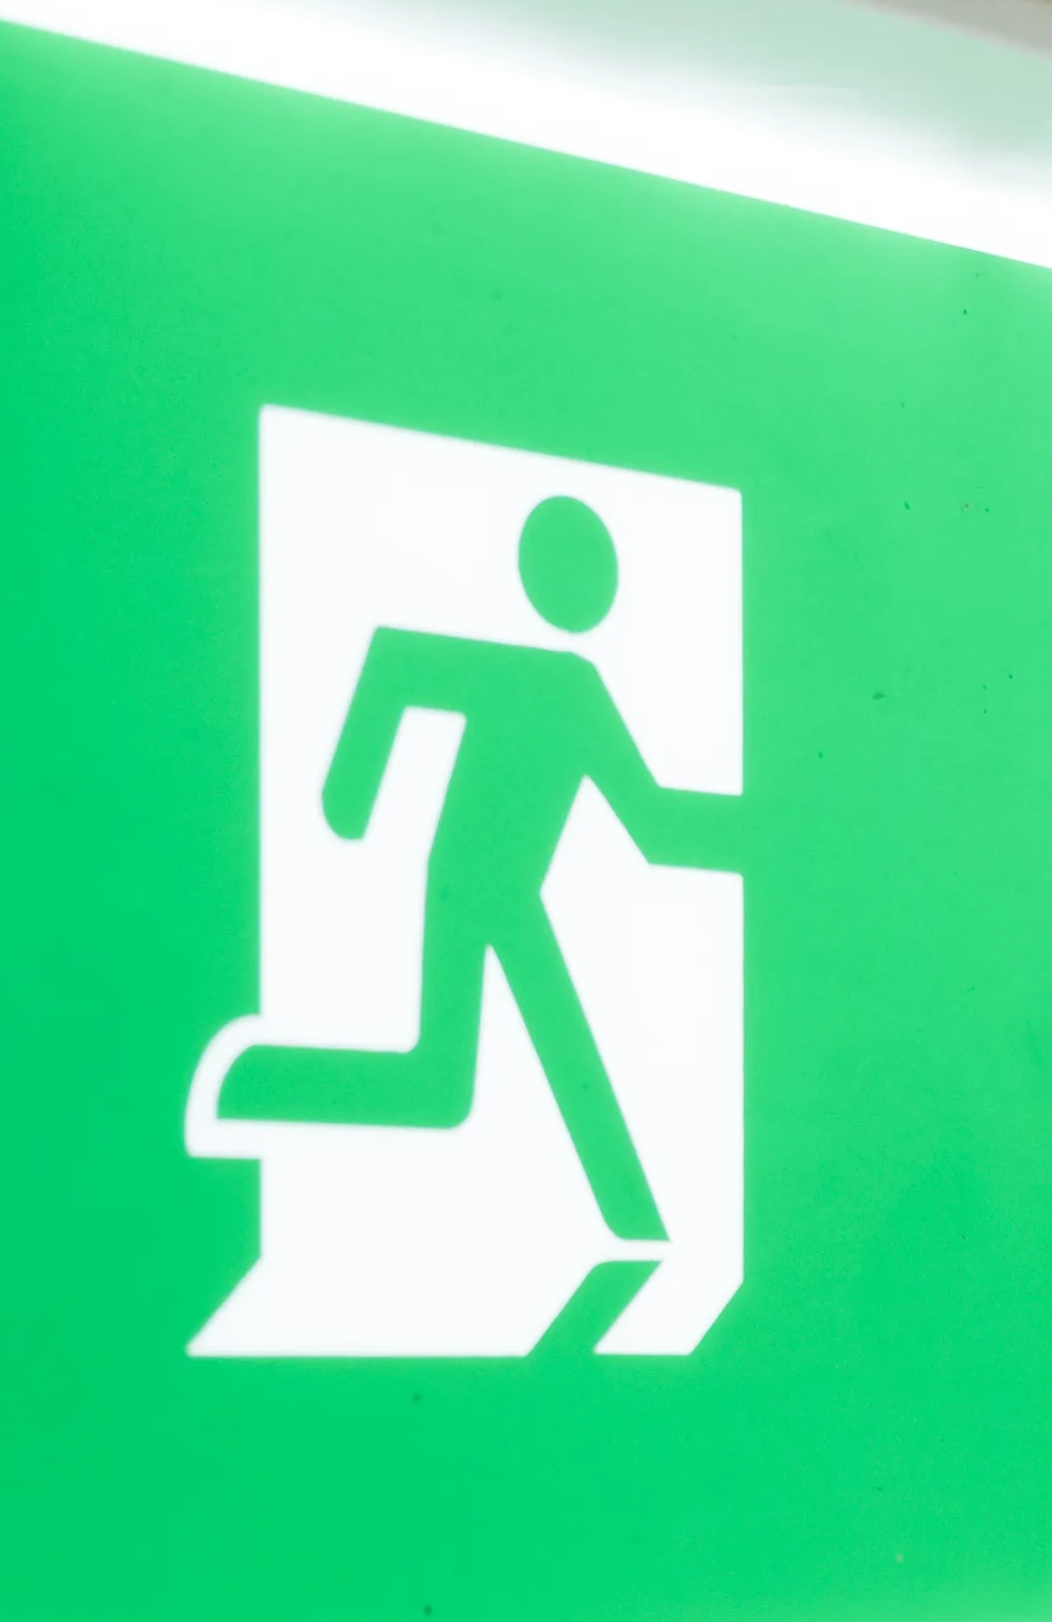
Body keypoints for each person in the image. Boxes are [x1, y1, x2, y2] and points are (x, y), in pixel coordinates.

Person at [210, 492, 743, 1241]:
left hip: (506, 891)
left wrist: (764, 835)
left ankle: (262, 1082)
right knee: (452, 1080)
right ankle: (259, 1084)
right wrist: (349, 794)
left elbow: (651, 822)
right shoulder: (550, 682)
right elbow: (396, 663)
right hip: (470, 883)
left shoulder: (577, 689)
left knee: (442, 1083)